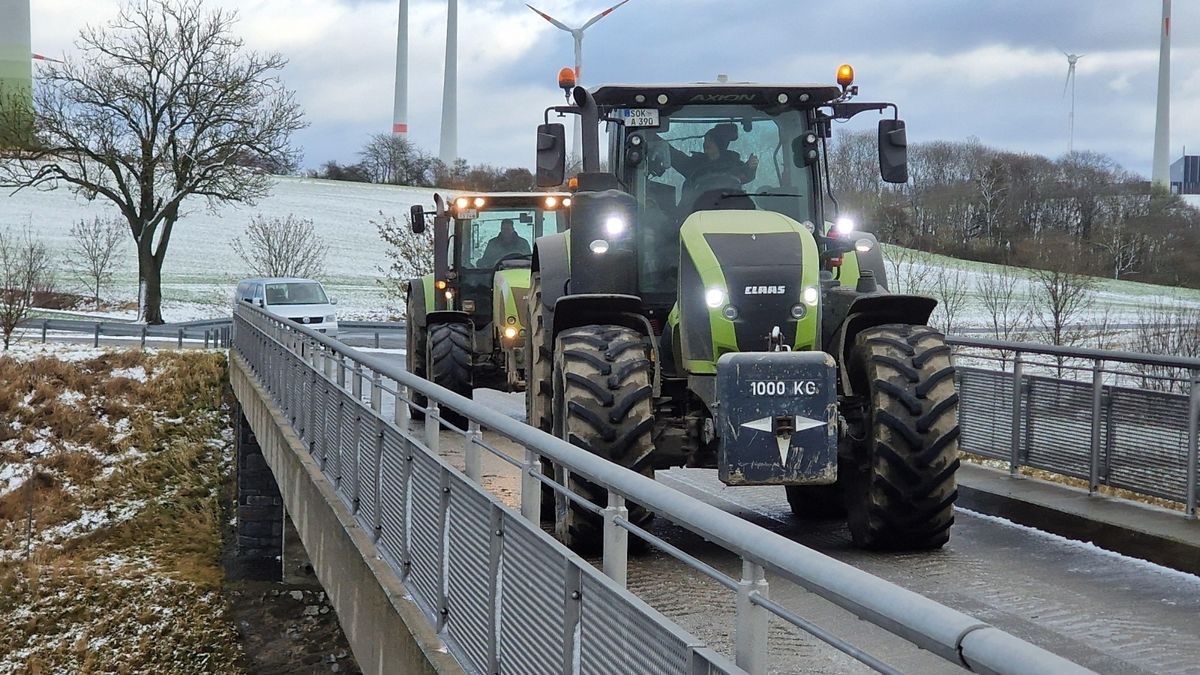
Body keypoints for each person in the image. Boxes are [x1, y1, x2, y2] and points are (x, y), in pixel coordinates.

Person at [666, 123, 759, 203]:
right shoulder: (693, 165)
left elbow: (745, 175)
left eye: (710, 140)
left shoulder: (734, 165)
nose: (706, 143)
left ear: (720, 143)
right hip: (695, 215)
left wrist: (750, 167)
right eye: (705, 140)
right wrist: (654, 138)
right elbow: (674, 156)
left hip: (730, 211)